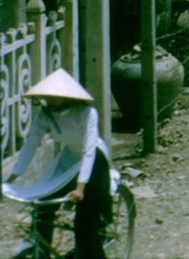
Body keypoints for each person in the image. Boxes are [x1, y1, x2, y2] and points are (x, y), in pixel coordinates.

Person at [5, 68, 113, 258]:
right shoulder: (45, 115)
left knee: (85, 231)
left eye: (54, 96)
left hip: (94, 162)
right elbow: (30, 145)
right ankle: (42, 253)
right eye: (46, 96)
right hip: (69, 159)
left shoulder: (87, 113)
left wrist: (80, 188)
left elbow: (89, 150)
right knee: (42, 207)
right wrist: (12, 177)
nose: (49, 100)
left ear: (67, 96)